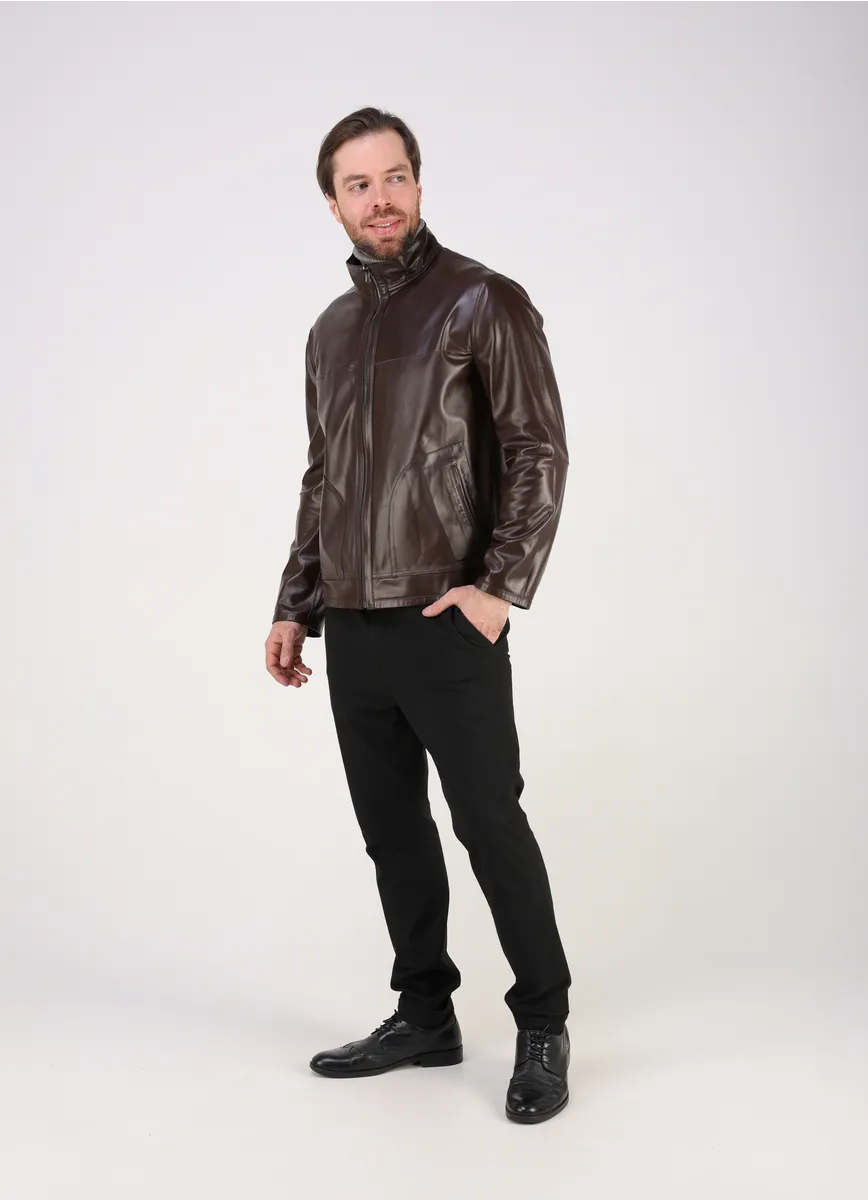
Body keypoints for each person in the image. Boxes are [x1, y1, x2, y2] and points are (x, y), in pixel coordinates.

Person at [264, 107, 572, 1124]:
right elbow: (324, 478)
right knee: (392, 833)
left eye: (394, 177)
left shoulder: (483, 299)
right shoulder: (330, 330)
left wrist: (498, 588)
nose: (380, 198)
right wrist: (296, 604)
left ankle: (543, 1020)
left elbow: (536, 449)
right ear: (333, 203)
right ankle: (425, 1015)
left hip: (446, 616)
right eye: (358, 185)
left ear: (419, 184)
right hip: (354, 624)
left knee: (489, 823)